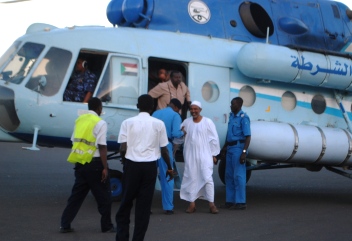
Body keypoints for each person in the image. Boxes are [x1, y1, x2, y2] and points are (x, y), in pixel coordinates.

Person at [116, 94, 174, 241]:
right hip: (149, 168)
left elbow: (123, 148)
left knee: (126, 203)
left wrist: (125, 162)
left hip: (132, 165)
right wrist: (169, 167)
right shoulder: (158, 124)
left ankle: (122, 237)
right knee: (143, 208)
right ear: (153, 107)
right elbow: (164, 150)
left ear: (137, 106)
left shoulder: (127, 123)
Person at [60, 97, 114, 233]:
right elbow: (102, 146)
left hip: (80, 164)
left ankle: (65, 224)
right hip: (95, 164)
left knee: (76, 197)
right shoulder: (100, 123)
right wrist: (105, 168)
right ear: (99, 108)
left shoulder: (79, 120)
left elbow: (74, 140)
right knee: (104, 197)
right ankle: (106, 226)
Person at [180, 100, 220, 214]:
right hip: (190, 155)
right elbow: (179, 137)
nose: (193, 111)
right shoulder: (186, 123)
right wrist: (181, 133)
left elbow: (214, 139)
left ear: (200, 110)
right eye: (191, 109)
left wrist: (214, 154)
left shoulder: (208, 122)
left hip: (205, 155)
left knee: (207, 178)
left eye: (195, 109)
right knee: (191, 177)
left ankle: (211, 204)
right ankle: (192, 203)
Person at [152, 98, 185, 215]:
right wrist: (183, 132)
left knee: (150, 177)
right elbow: (176, 133)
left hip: (151, 146)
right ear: (177, 108)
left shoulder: (156, 113)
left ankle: (147, 207)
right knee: (168, 175)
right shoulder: (175, 115)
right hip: (165, 145)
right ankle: (168, 207)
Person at [220, 97, 251, 210]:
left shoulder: (244, 118)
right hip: (230, 148)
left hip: (238, 148)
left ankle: (240, 202)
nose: (231, 106)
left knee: (238, 176)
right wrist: (223, 149)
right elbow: (229, 135)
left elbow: (248, 137)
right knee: (228, 176)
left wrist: (244, 152)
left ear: (239, 105)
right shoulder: (232, 117)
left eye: (232, 104)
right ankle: (230, 201)